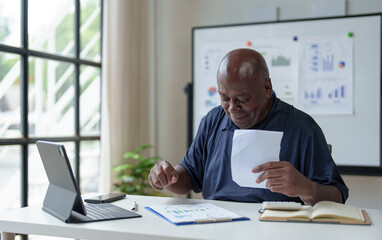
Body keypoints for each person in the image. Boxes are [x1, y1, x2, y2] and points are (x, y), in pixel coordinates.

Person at [148, 48, 348, 205]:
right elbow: (188, 179)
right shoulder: (213, 120)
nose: (233, 108)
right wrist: (168, 177)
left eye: (242, 99)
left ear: (267, 88)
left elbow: (338, 197)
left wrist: (306, 188)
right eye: (224, 98)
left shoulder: (302, 128)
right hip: (216, 225)